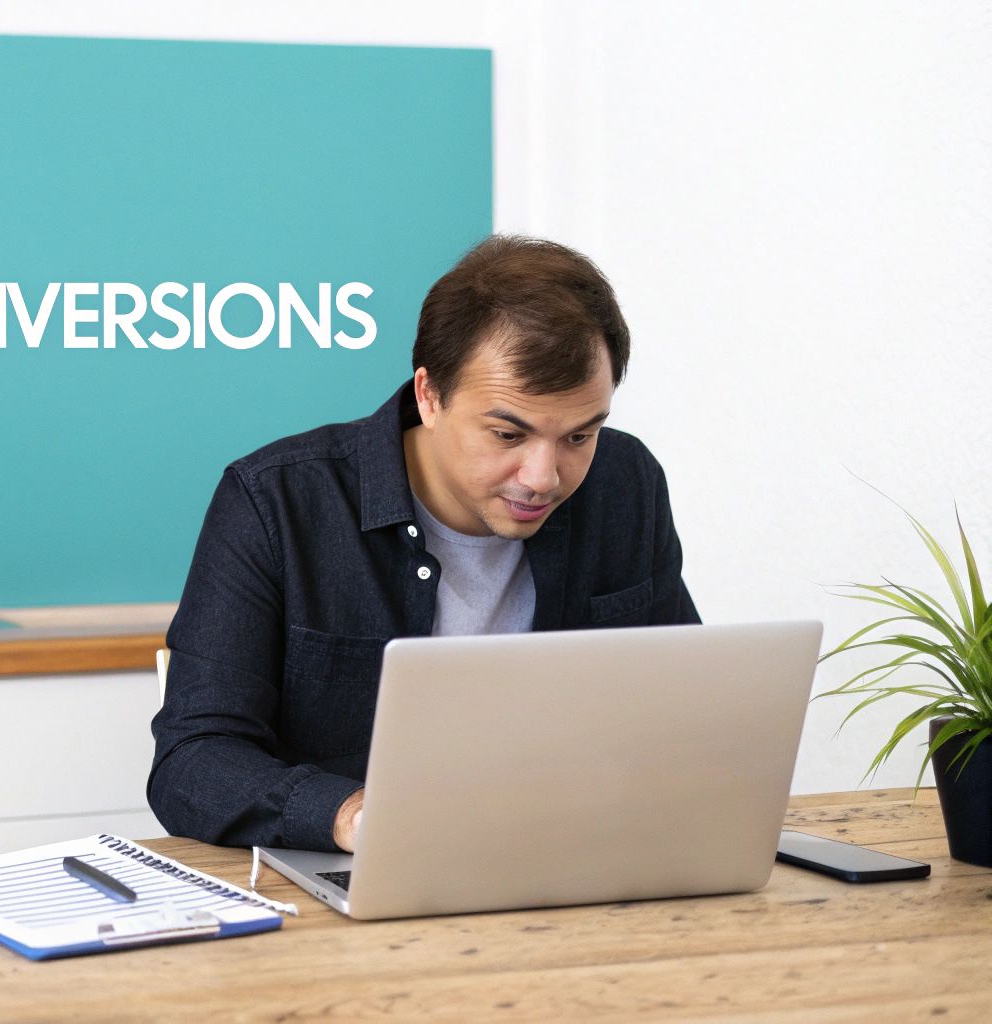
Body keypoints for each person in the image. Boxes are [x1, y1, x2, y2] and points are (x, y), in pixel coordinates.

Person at [147, 235, 699, 853]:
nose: (544, 478)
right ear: (429, 396)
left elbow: (683, 709)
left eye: (578, 437)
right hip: (357, 880)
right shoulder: (277, 502)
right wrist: (352, 816)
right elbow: (193, 760)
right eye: (507, 434)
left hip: (576, 856)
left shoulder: (626, 483)